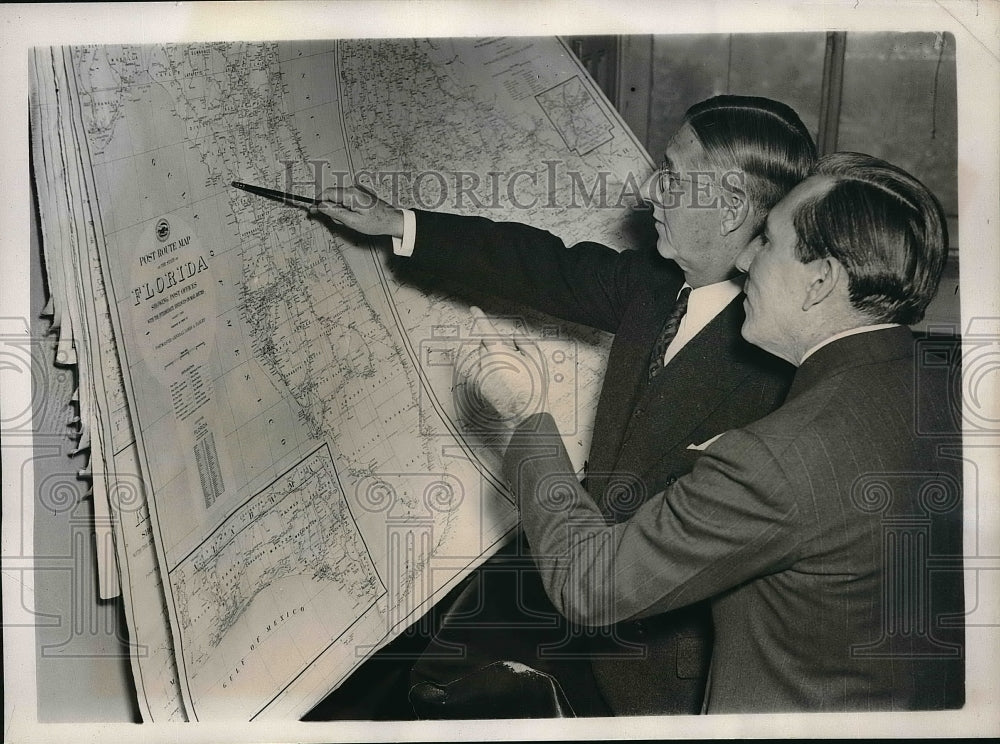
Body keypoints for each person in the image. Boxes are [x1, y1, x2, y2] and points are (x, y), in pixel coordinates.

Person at [307, 95, 816, 717]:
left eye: (675, 177)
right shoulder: (655, 286)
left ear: (732, 207)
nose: (651, 189)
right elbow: (539, 264)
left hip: (650, 667)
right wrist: (400, 225)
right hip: (576, 581)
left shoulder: (775, 362)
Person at [463, 152, 965, 712]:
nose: (746, 259)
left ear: (819, 280)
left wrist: (526, 417)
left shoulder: (772, 461)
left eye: (768, 242)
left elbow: (590, 583)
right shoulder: (941, 387)